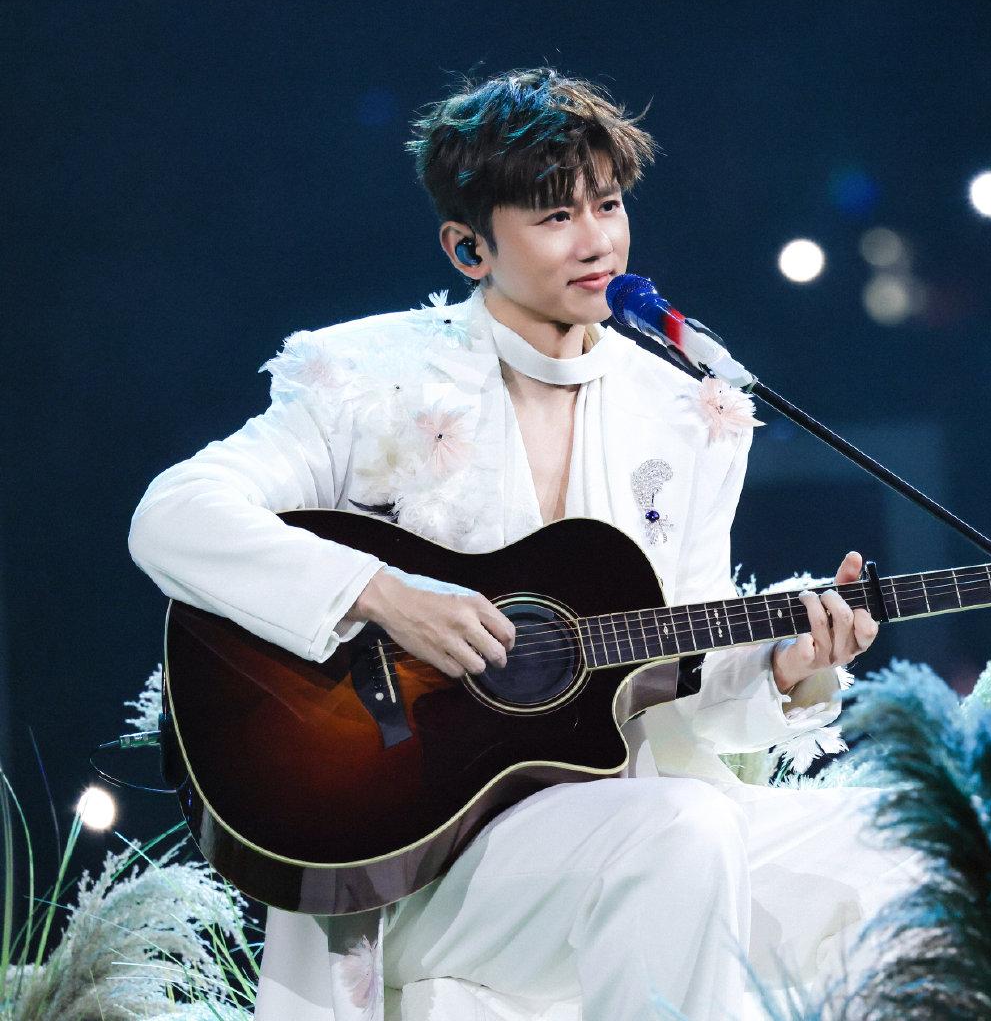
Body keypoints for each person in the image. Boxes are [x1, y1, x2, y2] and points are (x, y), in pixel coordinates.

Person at [128, 68, 923, 1021]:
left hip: (621, 814)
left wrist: (787, 668)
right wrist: (383, 594)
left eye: (608, 204)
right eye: (554, 216)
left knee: (905, 841)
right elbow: (173, 514)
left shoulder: (688, 410)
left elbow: (685, 686)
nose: (597, 241)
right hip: (418, 865)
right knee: (682, 833)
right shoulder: (371, 378)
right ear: (469, 247)